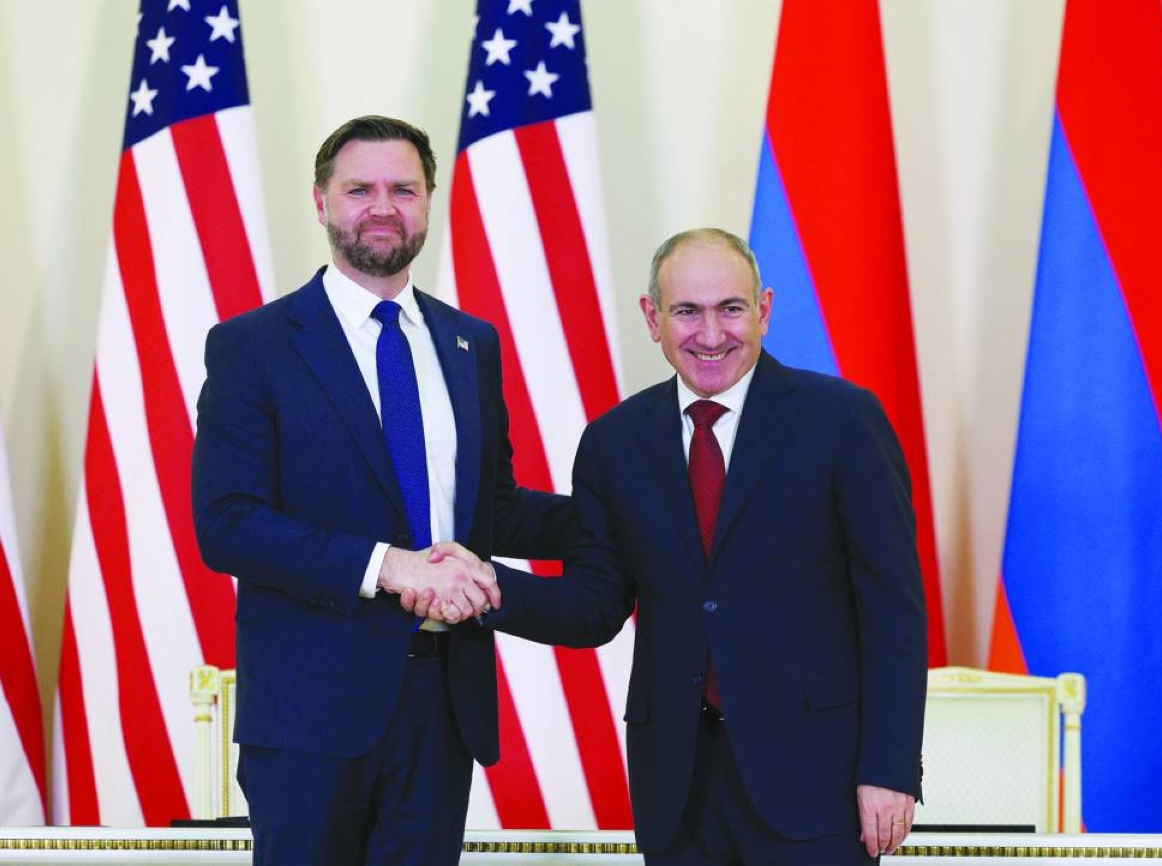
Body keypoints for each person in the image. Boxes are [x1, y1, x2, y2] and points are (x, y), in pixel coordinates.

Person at [414, 228, 927, 864]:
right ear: (652, 318)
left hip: (817, 783)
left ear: (763, 310)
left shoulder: (843, 422)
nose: (710, 335)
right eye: (687, 311)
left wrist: (890, 768)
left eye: (730, 309)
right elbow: (595, 605)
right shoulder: (614, 443)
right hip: (678, 788)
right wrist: (488, 588)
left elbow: (894, 612)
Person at [192, 115, 568, 866]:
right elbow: (228, 524)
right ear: (321, 201)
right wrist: (388, 565)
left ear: (430, 201)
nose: (382, 206)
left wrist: (642, 507)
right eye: (359, 188)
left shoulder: (471, 343)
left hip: (442, 706)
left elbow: (491, 513)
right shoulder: (254, 345)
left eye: (403, 188)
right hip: (308, 718)